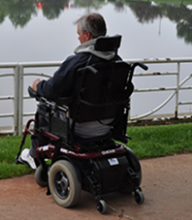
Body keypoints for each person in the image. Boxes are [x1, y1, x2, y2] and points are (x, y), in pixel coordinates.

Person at [18, 13, 122, 169]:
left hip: (80, 128)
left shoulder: (78, 62)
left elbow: (53, 89)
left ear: (87, 36)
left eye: (79, 34)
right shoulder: (117, 62)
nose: (78, 38)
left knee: (44, 105)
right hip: (109, 124)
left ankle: (34, 155)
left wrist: (38, 86)